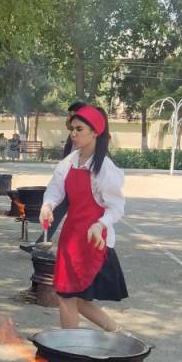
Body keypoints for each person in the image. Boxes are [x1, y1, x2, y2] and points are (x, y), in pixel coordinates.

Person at [39, 103, 128, 332]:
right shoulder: (69, 162)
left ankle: (71, 347)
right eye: (73, 129)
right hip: (71, 238)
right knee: (70, 297)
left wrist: (101, 224)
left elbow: (117, 207)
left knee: (68, 297)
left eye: (79, 129)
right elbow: (55, 189)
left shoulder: (105, 168)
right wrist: (47, 205)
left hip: (94, 241)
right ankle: (118, 333)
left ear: (95, 132)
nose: (73, 134)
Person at [20, 102, 83, 254]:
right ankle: (41, 244)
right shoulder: (72, 135)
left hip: (78, 183)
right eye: (68, 115)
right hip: (69, 180)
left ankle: (73, 248)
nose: (68, 119)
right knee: (58, 211)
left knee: (75, 216)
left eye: (71, 115)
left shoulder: (84, 137)